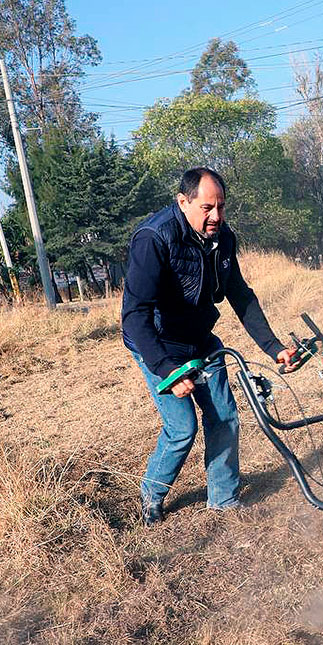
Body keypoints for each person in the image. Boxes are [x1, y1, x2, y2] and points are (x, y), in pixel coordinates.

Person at [122, 167, 296, 524]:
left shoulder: (222, 238)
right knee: (182, 427)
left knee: (225, 417)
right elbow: (134, 316)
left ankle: (224, 498)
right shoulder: (154, 238)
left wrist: (274, 346)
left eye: (221, 207)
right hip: (158, 344)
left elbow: (240, 296)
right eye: (207, 208)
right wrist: (167, 369)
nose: (216, 216)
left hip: (200, 340)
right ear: (183, 202)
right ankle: (151, 494)